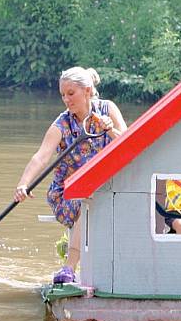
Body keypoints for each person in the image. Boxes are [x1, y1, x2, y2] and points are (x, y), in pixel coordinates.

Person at [14, 67, 127, 284]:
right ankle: (69, 267)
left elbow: (131, 144)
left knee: (100, 194)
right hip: (69, 192)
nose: (66, 99)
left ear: (87, 91)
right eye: (63, 95)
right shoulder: (62, 123)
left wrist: (110, 129)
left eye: (71, 93)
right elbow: (41, 156)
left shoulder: (107, 109)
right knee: (89, 197)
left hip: (107, 185)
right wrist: (23, 184)